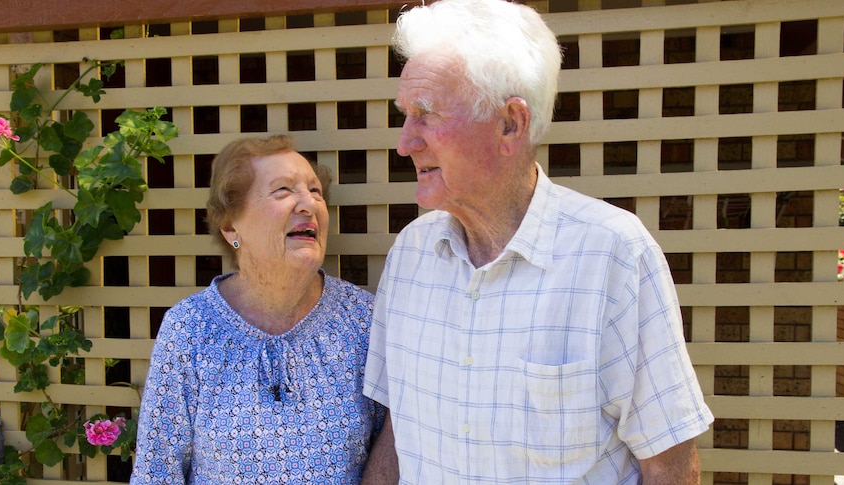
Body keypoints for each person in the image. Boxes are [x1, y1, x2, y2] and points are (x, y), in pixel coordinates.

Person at [361, 0, 715, 483]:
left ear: (510, 124)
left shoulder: (612, 254)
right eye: (406, 115)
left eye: (426, 114)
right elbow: (400, 434)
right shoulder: (410, 255)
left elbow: (668, 463)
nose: (406, 142)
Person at [131, 135, 386, 484]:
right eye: (283, 191)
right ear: (231, 226)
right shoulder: (189, 328)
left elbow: (398, 445)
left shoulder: (362, 320)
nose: (308, 204)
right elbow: (156, 471)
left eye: (315, 192)